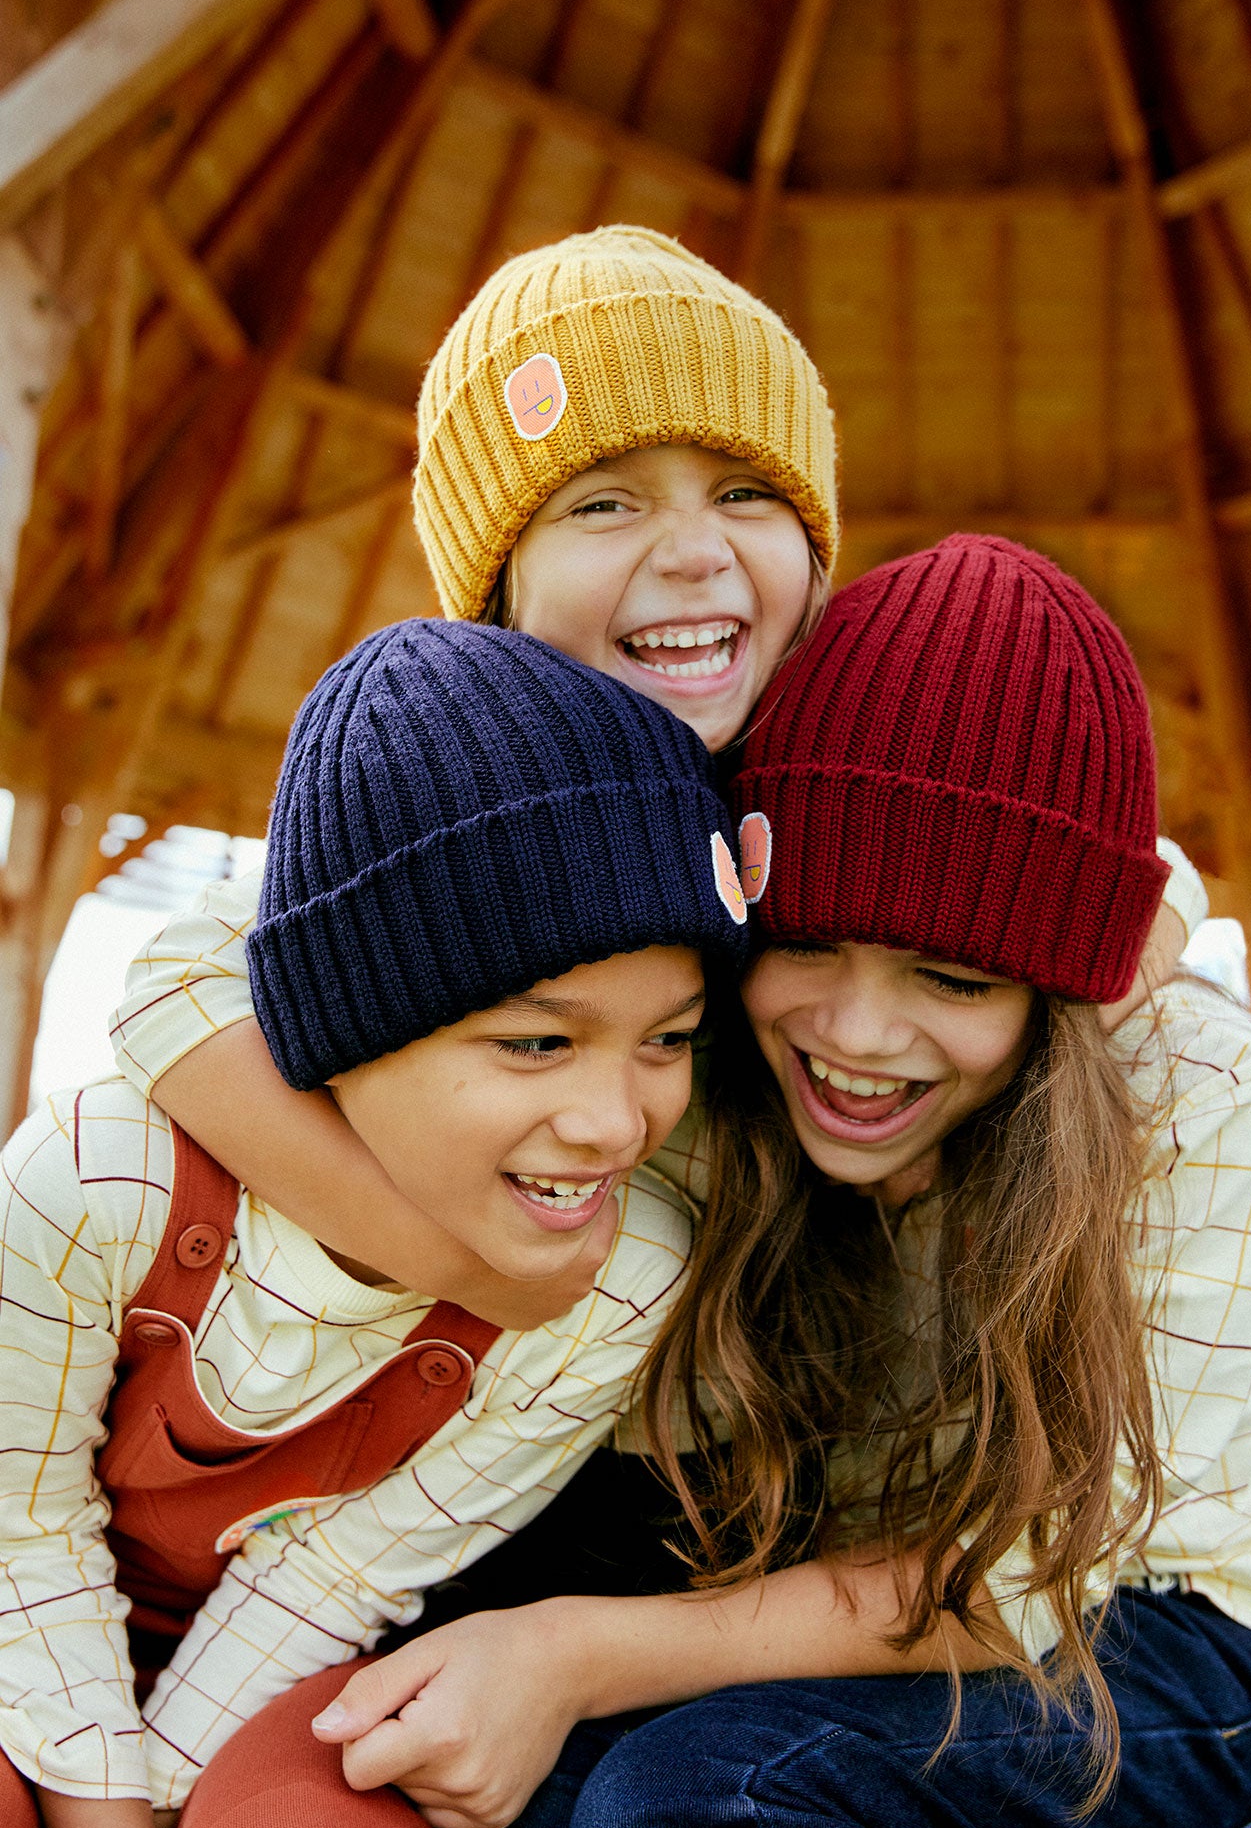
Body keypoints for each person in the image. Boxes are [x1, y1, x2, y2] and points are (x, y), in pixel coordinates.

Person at [294, 538, 1251, 1828]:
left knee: (697, 1803)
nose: (857, 1035)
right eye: (805, 945)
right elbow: (259, 966)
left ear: (1060, 986)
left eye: (952, 980)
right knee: (490, 1786)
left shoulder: (1200, 1097)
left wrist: (572, 1654)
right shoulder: (704, 1037)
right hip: (831, 1587)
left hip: (1149, 1629)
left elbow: (1022, 1586)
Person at [0, 618, 750, 1828]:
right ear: (345, 1022)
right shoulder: (99, 1177)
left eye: (667, 1039)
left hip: (276, 1672)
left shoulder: (615, 1281)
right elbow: (20, 1528)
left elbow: (335, 1579)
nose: (618, 1121)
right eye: (536, 1041)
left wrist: (164, 1805)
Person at [108, 224, 838, 1321]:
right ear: (496, 589)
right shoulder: (443, 810)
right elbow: (175, 984)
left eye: (745, 493)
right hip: (533, 1393)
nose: (695, 552)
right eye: (603, 502)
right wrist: (450, 1265)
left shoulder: (853, 768)